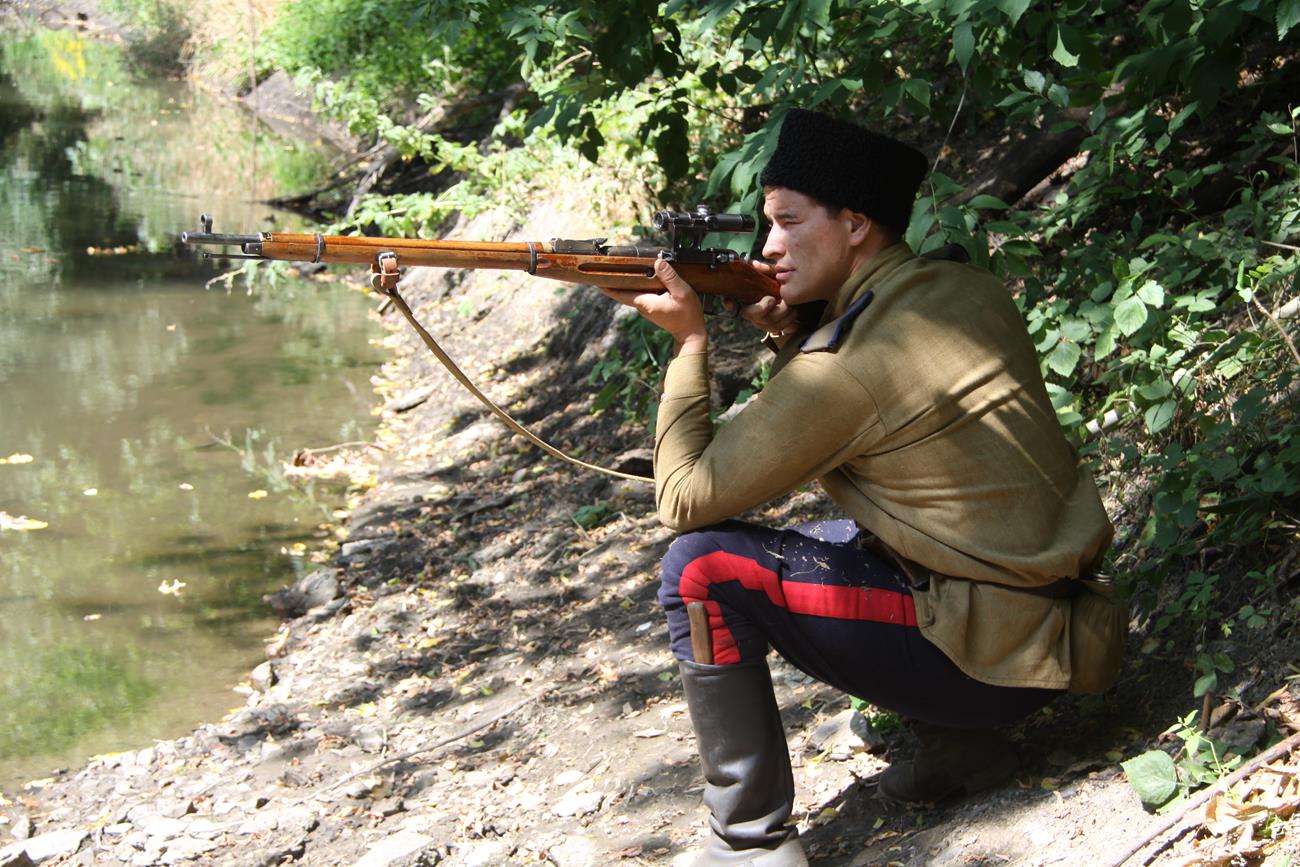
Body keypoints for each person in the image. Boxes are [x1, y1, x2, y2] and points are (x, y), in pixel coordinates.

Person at [600, 108, 1123, 867]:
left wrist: (689, 341)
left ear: (854, 224)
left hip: (990, 658)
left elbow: (683, 499)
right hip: (1057, 628)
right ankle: (963, 752)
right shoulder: (959, 286)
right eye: (766, 224)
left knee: (702, 566)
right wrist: (789, 331)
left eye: (788, 221)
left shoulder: (848, 362)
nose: (767, 246)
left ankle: (748, 843)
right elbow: (880, 426)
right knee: (845, 537)